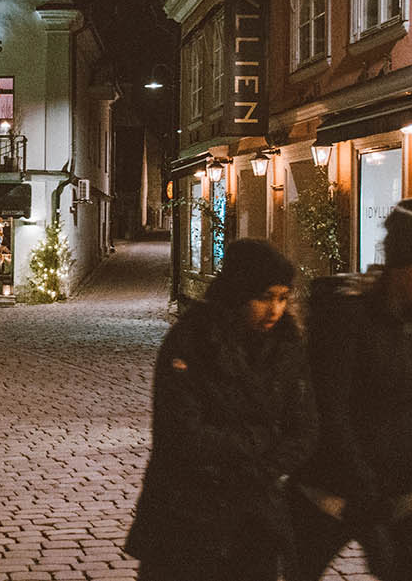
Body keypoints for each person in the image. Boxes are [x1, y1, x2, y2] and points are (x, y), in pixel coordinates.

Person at [289, 198, 412, 581]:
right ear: (398, 267)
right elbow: (329, 409)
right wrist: (361, 482)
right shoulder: (347, 319)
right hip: (328, 491)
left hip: (394, 490)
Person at [125, 238, 318, 581]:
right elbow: (181, 433)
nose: (275, 310)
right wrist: (261, 442)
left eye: (283, 298)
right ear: (238, 292)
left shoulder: (287, 348)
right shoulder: (191, 341)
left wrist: (260, 471)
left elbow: (303, 430)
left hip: (256, 521)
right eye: (264, 297)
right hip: (184, 519)